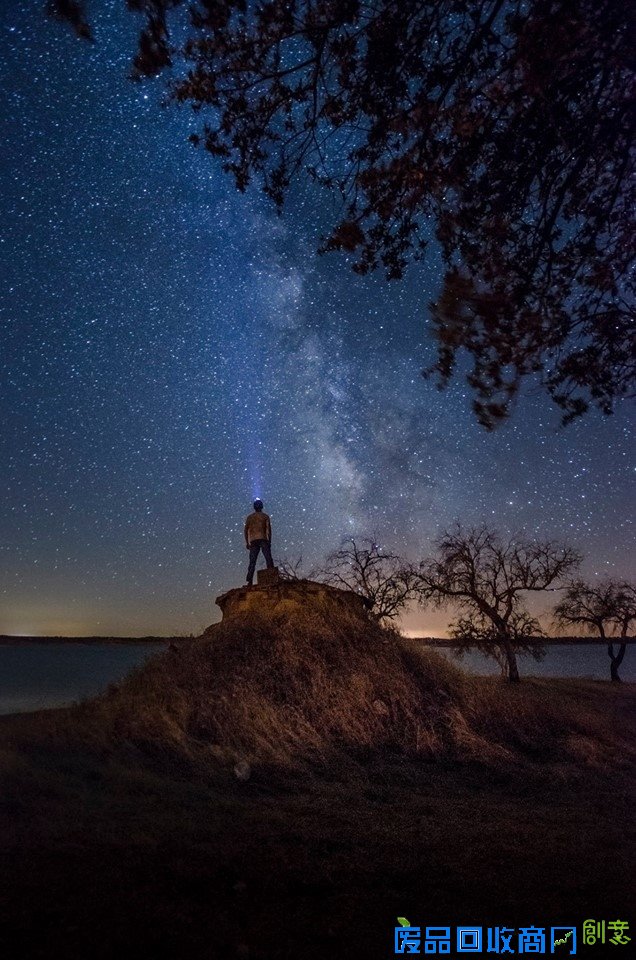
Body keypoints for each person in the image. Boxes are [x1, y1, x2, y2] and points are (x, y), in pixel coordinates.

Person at [244, 498, 274, 585]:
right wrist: (269, 541)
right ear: (262, 506)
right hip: (263, 539)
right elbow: (269, 530)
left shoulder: (250, 517)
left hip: (253, 540)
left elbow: (245, 530)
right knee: (268, 558)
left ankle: (249, 581)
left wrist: (247, 542)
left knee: (252, 561)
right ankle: (272, 578)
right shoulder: (265, 516)